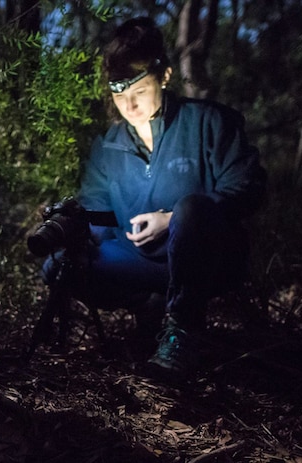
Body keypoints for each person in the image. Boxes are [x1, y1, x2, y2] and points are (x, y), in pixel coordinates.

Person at [41, 16, 266, 376]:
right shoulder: (108, 146)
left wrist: (173, 219)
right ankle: (150, 304)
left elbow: (248, 187)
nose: (129, 107)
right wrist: (72, 227)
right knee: (60, 266)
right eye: (119, 95)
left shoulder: (209, 123)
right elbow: (97, 213)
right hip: (139, 263)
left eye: (139, 92)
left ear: (164, 77)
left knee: (191, 208)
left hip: (207, 263)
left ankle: (183, 332)